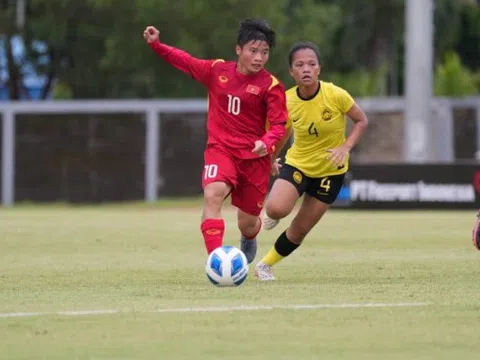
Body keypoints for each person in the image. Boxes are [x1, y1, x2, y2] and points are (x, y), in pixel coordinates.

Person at [143, 19, 288, 263]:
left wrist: (267, 140)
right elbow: (185, 61)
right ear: (238, 50)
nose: (259, 58)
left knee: (248, 223)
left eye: (264, 53)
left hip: (255, 158)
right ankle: (217, 262)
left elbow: (279, 125)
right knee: (213, 194)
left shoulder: (271, 86)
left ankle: (249, 237)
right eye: (253, 51)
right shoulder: (217, 71)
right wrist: (157, 44)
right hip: (221, 150)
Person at [254, 41, 369, 280]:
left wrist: (346, 146)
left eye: (311, 64)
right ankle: (273, 215)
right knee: (276, 208)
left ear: (319, 69)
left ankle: (264, 265)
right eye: (299, 65)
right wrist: (273, 158)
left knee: (299, 230)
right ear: (292, 72)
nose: (306, 68)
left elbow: (361, 121)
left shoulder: (336, 95)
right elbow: (282, 132)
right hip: (298, 164)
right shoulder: (286, 100)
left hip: (330, 172)